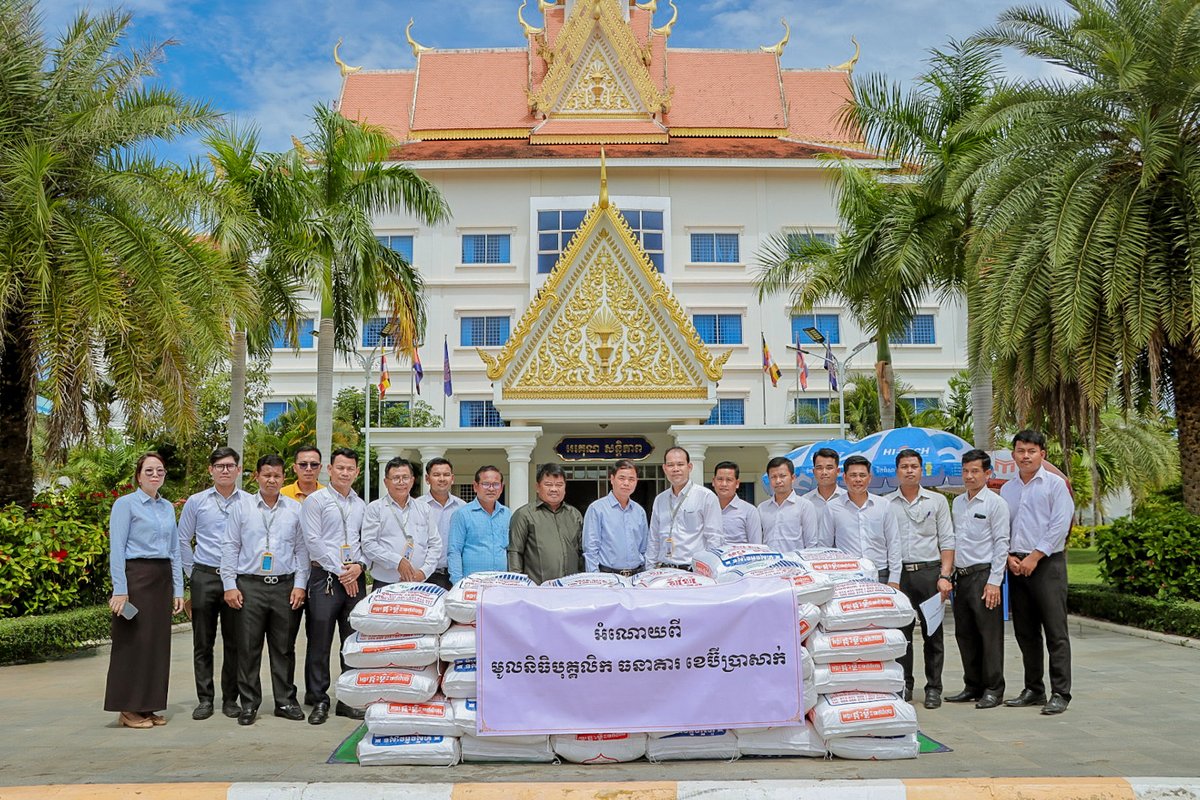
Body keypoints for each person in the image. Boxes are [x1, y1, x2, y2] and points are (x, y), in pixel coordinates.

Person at [220, 454, 308, 726]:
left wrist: (300, 585)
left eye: (277, 476)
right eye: (266, 474)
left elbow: (302, 550)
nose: (272, 480)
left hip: (284, 586)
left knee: (283, 648)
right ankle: (249, 704)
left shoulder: (295, 509)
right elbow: (230, 546)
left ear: (284, 479)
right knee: (248, 648)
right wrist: (229, 585)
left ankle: (284, 701)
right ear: (256, 476)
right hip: (250, 586)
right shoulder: (242, 508)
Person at [104, 452, 184, 729]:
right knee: (133, 644)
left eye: (159, 471)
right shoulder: (124, 505)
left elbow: (174, 550)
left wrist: (178, 589)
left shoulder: (166, 508)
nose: (155, 475)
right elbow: (117, 550)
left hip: (161, 579)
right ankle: (127, 708)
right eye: (149, 470)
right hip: (136, 578)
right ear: (138, 475)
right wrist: (120, 590)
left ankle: (147, 706)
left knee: (156, 645)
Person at [1000, 430, 1075, 715]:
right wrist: (1008, 555)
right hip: (1016, 566)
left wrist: (1035, 555)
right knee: (1025, 632)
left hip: (1047, 565)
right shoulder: (1008, 489)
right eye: (1021, 450)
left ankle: (1061, 693)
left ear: (1042, 453)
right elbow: (1003, 526)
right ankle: (1034, 688)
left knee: (1056, 632)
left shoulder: (1056, 485)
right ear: (1014, 455)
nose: (1026, 456)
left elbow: (1060, 525)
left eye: (1032, 450)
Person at [178, 447, 247, 720]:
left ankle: (231, 699)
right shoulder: (196, 502)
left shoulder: (248, 502)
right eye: (219, 466)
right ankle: (205, 699)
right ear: (211, 470)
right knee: (202, 642)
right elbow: (183, 539)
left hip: (236, 580)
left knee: (235, 642)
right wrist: (191, 573)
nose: (225, 470)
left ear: (239, 470)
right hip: (204, 575)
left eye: (230, 465)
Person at [300, 447, 367, 724]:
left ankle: (348, 699)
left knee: (352, 640)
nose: (345, 473)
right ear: (330, 470)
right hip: (325, 577)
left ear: (357, 472)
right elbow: (312, 542)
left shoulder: (361, 504)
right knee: (320, 640)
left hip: (355, 576)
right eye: (340, 467)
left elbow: (366, 541)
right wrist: (342, 571)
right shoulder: (315, 501)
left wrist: (358, 567)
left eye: (350, 468)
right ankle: (319, 699)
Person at [887, 448, 955, 708]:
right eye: (904, 466)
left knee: (933, 633)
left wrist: (945, 575)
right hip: (899, 575)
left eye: (914, 466)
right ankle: (904, 685)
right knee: (902, 636)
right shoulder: (886, 503)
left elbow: (947, 540)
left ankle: (934, 688)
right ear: (897, 472)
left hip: (930, 573)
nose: (909, 470)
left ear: (921, 469)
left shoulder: (936, 502)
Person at [946, 449, 1010, 709]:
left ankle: (993, 689)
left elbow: (1002, 543)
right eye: (965, 471)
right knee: (965, 634)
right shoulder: (958, 503)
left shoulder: (996, 504)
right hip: (961, 577)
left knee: (989, 635)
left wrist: (995, 581)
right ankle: (972, 685)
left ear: (987, 473)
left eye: (975, 471)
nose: (969, 476)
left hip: (984, 576)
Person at [362, 457, 440, 591]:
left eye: (405, 477)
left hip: (419, 582)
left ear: (412, 480)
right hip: (385, 583)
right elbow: (368, 544)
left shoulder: (424, 508)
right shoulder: (375, 508)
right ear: (386, 482)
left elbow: (435, 544)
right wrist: (397, 562)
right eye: (396, 478)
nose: (401, 482)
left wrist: (423, 572)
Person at [828, 455, 901, 585]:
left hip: (881, 574)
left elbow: (893, 543)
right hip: (847, 575)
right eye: (853, 475)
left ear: (869, 478)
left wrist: (894, 579)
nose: (858, 479)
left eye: (862, 475)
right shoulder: (832, 507)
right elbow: (826, 545)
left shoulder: (883, 505)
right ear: (844, 477)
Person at [647, 447, 723, 570]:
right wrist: (649, 569)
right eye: (670, 465)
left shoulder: (706, 497)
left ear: (689, 467)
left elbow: (714, 539)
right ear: (664, 468)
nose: (675, 469)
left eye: (680, 464)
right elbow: (653, 538)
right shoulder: (660, 500)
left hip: (693, 571)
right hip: (664, 570)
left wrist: (710, 570)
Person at [508, 463, 584, 584]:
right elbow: (515, 552)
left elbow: (581, 553)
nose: (554, 489)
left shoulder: (574, 515)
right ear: (537, 487)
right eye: (548, 484)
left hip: (571, 588)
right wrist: (518, 584)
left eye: (559, 485)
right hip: (536, 589)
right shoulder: (524, 515)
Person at [583, 460, 649, 576]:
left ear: (636, 481)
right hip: (608, 577)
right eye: (622, 478)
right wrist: (595, 579)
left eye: (631, 479)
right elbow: (591, 550)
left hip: (637, 576)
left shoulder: (639, 511)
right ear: (612, 479)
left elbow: (644, 549)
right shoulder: (597, 509)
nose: (626, 483)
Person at [447, 466, 511, 584]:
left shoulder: (507, 514)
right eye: (486, 484)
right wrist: (457, 583)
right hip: (472, 584)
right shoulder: (462, 514)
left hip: (501, 582)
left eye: (496, 484)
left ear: (501, 488)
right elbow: (454, 551)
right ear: (475, 486)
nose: (491, 489)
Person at [415, 457, 465, 590]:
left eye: (446, 475)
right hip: (425, 575)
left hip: (455, 575)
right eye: (436, 475)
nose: (442, 479)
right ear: (427, 479)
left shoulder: (462, 508)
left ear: (452, 478)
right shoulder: (416, 507)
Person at [758, 456, 819, 552]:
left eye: (782, 476)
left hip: (796, 564)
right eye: (773, 477)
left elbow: (811, 543)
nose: (778, 481)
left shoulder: (805, 506)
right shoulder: (762, 508)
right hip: (769, 563)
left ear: (793, 478)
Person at [711, 461, 763, 545]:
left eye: (729, 480)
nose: (724, 484)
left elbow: (756, 546)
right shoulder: (706, 508)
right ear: (713, 481)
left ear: (737, 483)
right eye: (720, 479)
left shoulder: (749, 511)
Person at [801, 447, 843, 547]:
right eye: (819, 468)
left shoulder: (847, 500)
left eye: (829, 468)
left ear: (837, 471)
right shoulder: (804, 502)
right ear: (814, 471)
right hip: (812, 557)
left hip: (843, 559)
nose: (824, 472)